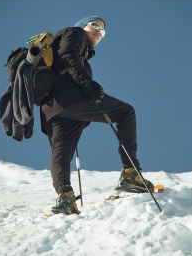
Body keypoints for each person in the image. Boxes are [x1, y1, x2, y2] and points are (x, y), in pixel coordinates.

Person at [40, 16, 153, 215]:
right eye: (94, 25)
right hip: (71, 99)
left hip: (52, 108)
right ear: (82, 25)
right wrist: (86, 82)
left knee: (61, 152)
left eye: (102, 31)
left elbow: (65, 57)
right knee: (126, 113)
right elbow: (67, 52)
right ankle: (130, 174)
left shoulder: (76, 53)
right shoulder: (75, 33)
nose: (98, 31)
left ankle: (64, 197)